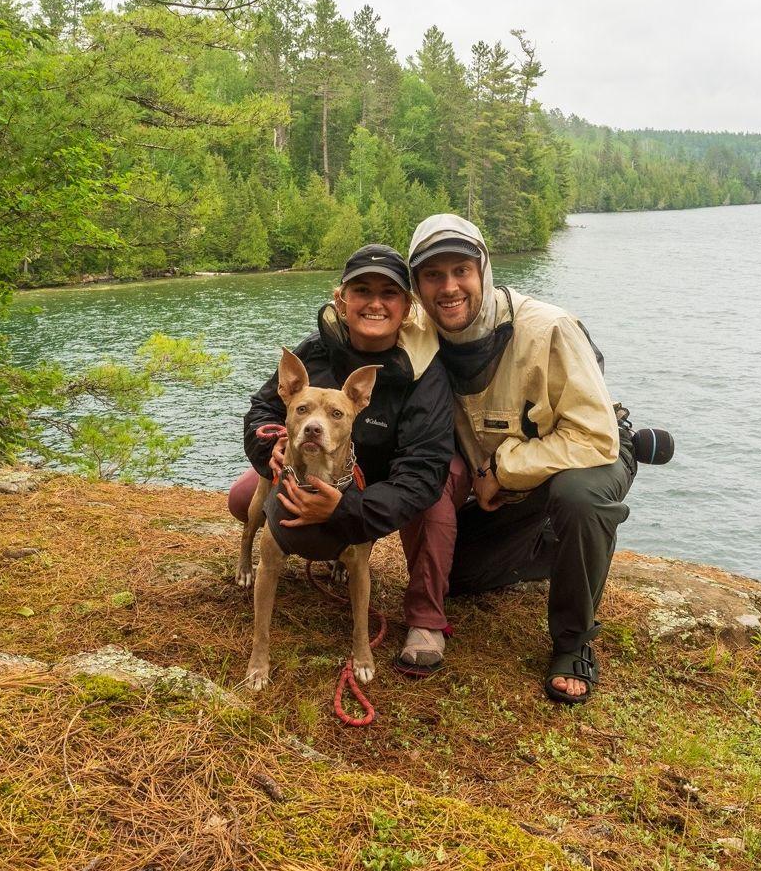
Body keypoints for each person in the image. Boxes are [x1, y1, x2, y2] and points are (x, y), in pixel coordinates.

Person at [407, 214, 637, 705]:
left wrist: (499, 471)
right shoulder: (421, 333)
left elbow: (594, 437)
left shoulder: (547, 328)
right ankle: (563, 548)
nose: (449, 288)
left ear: (484, 270)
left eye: (461, 271)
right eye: (433, 275)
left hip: (589, 453)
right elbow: (363, 321)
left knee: (578, 497)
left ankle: (573, 642)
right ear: (417, 285)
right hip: (508, 487)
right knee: (459, 577)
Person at [228, 243, 463, 673]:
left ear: (407, 307)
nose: (374, 303)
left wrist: (350, 509)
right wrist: (270, 445)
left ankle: (426, 618)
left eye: (388, 293)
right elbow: (262, 409)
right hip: (316, 468)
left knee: (436, 495)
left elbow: (424, 467)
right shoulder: (315, 351)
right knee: (245, 497)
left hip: (387, 482)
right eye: (362, 291)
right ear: (342, 299)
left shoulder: (424, 366)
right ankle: (265, 555)